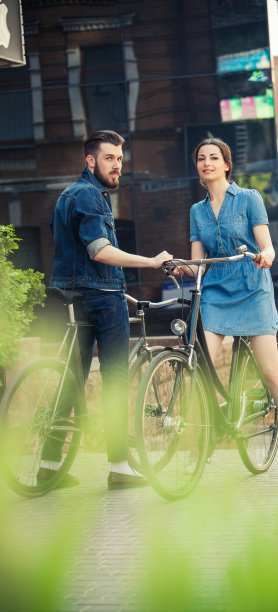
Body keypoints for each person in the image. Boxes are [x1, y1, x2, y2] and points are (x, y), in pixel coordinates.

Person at [182, 137, 278, 480]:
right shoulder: (196, 211)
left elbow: (267, 247)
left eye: (214, 158)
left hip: (252, 287)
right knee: (201, 367)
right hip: (215, 291)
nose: (207, 163)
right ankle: (206, 438)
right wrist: (180, 265)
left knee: (272, 372)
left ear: (227, 164)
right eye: (201, 158)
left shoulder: (249, 199)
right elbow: (199, 262)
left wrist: (266, 257)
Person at [44, 129, 172, 490]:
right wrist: (150, 262)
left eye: (119, 159)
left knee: (72, 378)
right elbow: (99, 250)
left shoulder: (67, 195)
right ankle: (119, 467)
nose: (117, 166)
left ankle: (48, 465)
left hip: (71, 297)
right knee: (116, 380)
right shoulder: (90, 197)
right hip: (101, 297)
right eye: (109, 158)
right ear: (90, 161)